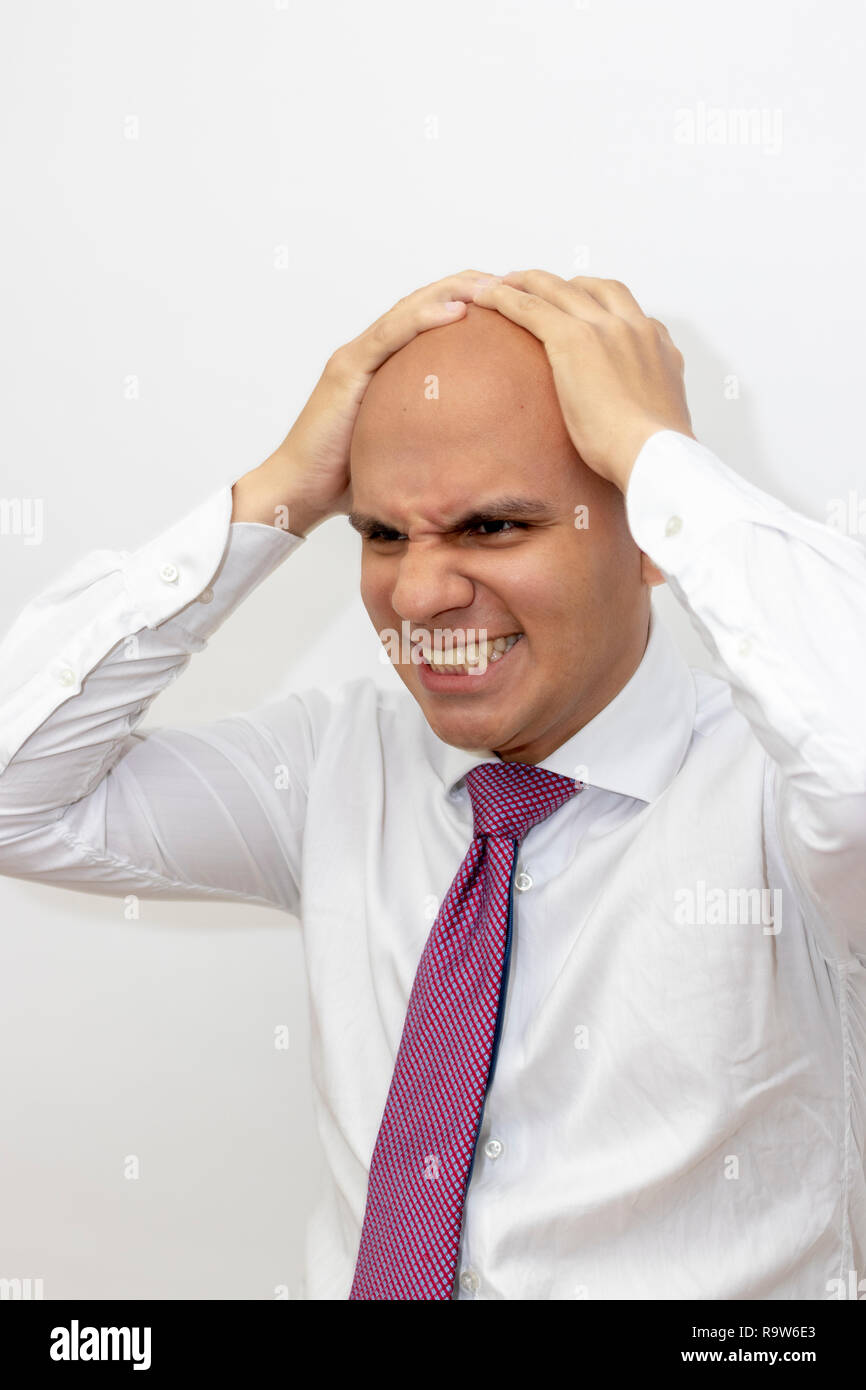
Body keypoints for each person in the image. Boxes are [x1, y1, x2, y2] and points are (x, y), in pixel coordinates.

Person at [0, 268, 863, 1301]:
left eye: (492, 527)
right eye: (379, 533)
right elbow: (20, 794)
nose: (414, 593)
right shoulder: (330, 769)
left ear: (646, 539)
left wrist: (656, 455)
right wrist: (280, 487)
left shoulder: (777, 796)